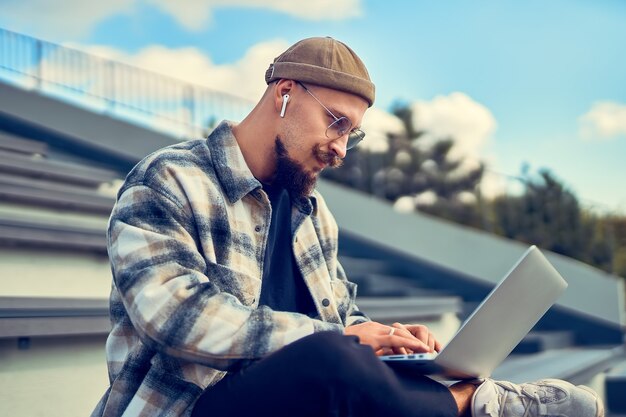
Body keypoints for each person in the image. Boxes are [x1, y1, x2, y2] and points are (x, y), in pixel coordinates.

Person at [91, 37, 604, 417]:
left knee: (345, 355)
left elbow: (344, 314)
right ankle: (472, 403)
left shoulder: (312, 213)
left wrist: (395, 341)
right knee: (332, 356)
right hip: (186, 408)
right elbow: (173, 317)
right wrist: (344, 338)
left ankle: (453, 392)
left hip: (300, 402)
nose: (340, 148)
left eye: (352, 135)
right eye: (335, 122)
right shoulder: (170, 179)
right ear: (284, 94)